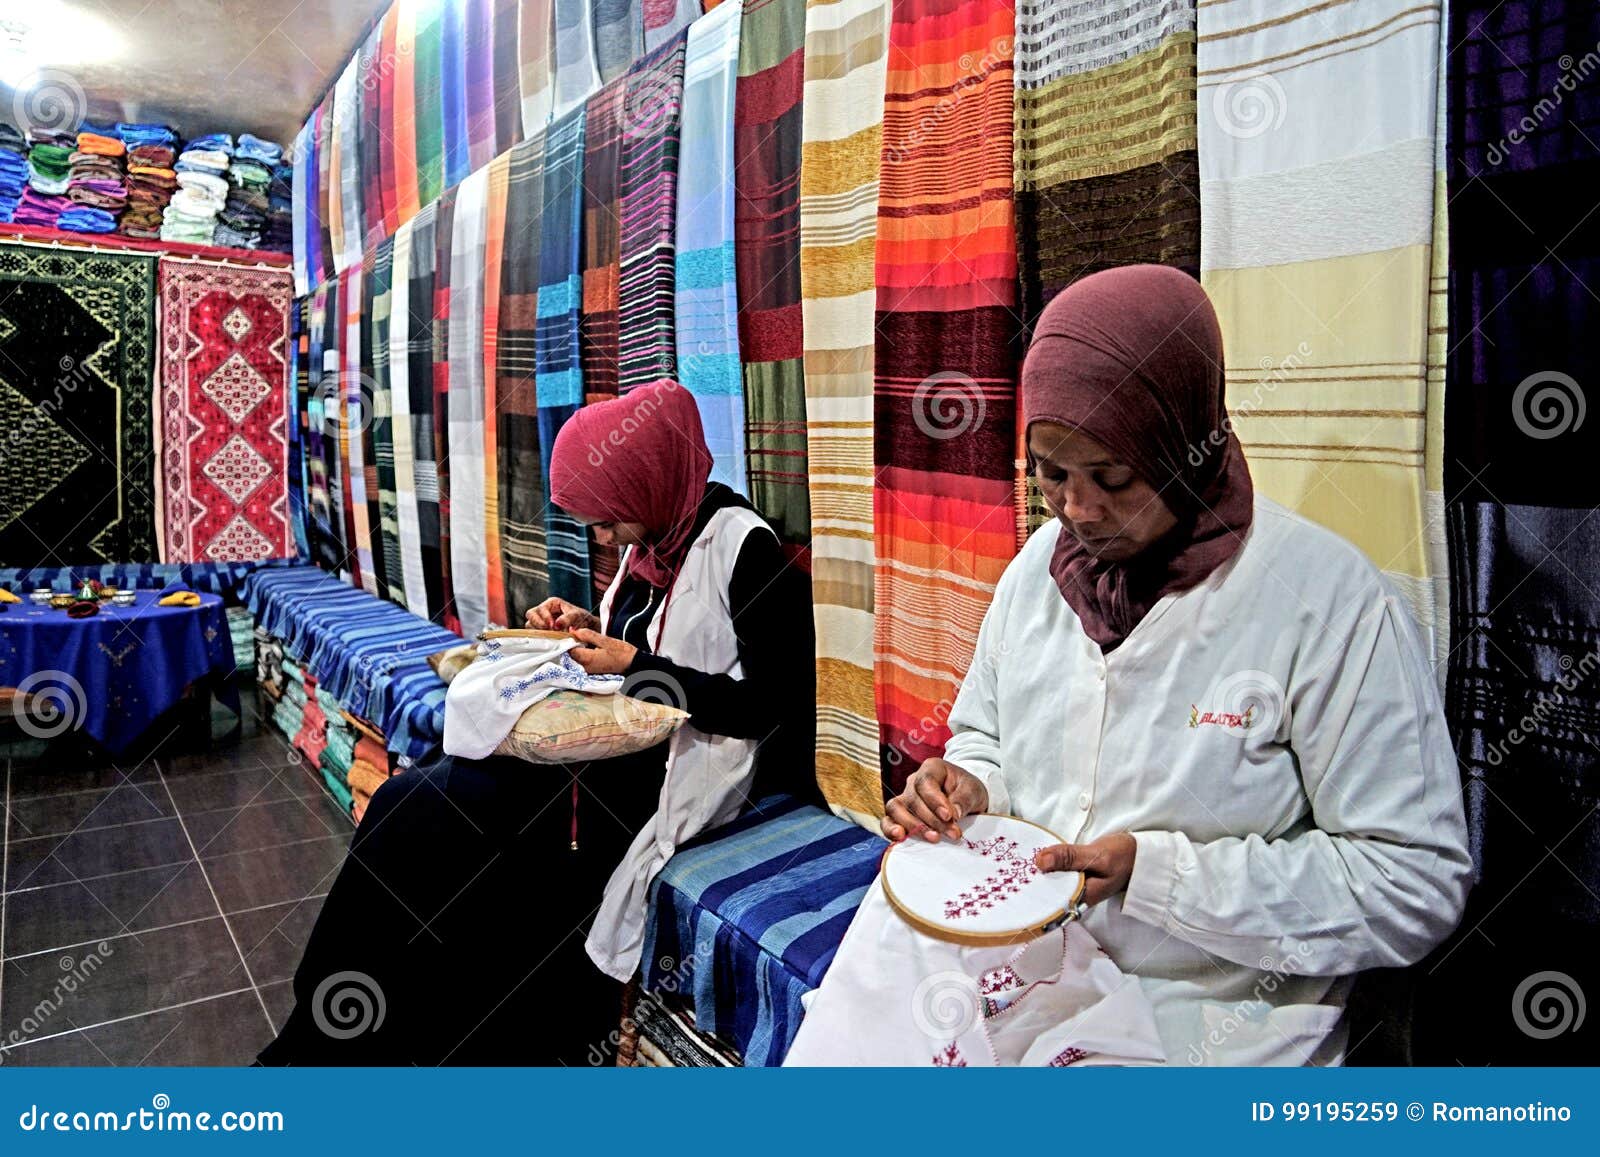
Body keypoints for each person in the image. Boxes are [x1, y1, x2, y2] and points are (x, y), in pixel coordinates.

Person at [881, 264, 1472, 1065]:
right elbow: (985, 730)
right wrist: (969, 782)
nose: (1079, 511)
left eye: (1115, 477)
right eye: (1051, 473)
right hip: (1027, 981)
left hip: (1209, 1019)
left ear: (1185, 443)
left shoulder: (1323, 600)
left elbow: (1415, 883)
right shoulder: (1035, 573)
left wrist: (1157, 875)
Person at [259, 381, 814, 1066]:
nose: (603, 537)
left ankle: (351, 1041)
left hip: (675, 781)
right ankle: (327, 1029)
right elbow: (645, 649)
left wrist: (635, 663)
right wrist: (586, 628)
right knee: (410, 804)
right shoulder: (655, 543)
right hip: (613, 758)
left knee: (442, 821)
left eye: (609, 521)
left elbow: (768, 706)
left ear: (649, 482)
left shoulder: (746, 553)